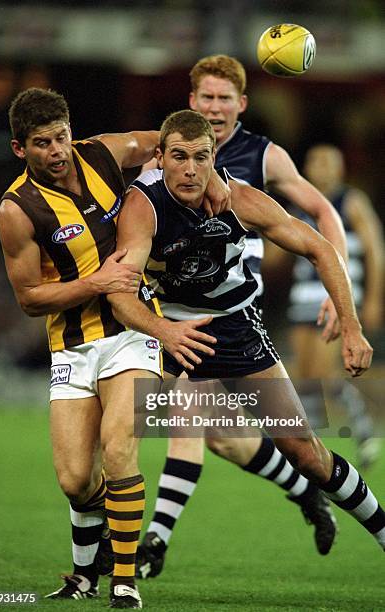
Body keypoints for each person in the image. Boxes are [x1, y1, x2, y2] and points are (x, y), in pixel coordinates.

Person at [106, 112, 384, 593]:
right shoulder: (143, 205)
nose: (190, 170)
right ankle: (121, 560)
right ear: (160, 159)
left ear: (215, 159)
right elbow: (119, 292)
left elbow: (321, 248)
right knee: (129, 437)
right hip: (164, 329)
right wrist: (163, 331)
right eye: (179, 157)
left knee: (303, 452)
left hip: (234, 326)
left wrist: (353, 325)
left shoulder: (242, 199)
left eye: (200, 158)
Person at [0, 88, 230, 609]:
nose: (57, 151)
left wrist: (210, 173)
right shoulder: (17, 209)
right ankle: (85, 574)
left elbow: (172, 142)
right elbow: (32, 299)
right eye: (42, 143)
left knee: (121, 452)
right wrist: (97, 283)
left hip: (134, 332)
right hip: (72, 346)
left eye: (61, 137)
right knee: (76, 479)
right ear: (20, 149)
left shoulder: (103, 152)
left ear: (70, 130)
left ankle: (122, 582)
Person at [135, 55, 349, 577]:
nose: (214, 107)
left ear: (241, 105)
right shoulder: (164, 153)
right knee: (221, 436)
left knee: (189, 420)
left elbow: (322, 211)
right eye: (205, 97)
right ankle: (305, 489)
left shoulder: (265, 157)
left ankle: (154, 543)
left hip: (236, 306)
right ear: (191, 102)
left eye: (223, 98)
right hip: (183, 305)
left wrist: (336, 285)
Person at [286, 144, 384, 468]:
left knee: (324, 376)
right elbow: (276, 254)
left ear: (340, 169)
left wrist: (372, 298)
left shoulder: (351, 202)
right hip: (302, 298)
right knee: (304, 378)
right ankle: (312, 448)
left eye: (329, 162)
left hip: (337, 297)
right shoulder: (299, 206)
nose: (322, 167)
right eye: (316, 161)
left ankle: (363, 429)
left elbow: (374, 249)